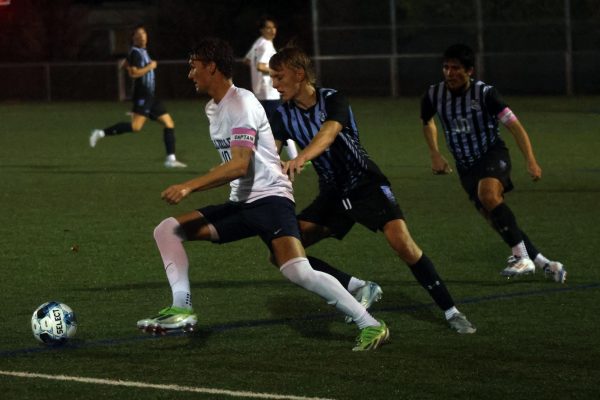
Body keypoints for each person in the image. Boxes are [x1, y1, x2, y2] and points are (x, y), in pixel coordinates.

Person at [136, 38, 389, 352]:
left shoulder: (240, 103)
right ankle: (182, 309)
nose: (190, 74)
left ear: (211, 67)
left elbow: (240, 166)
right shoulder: (214, 107)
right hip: (243, 202)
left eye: (194, 67)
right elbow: (236, 161)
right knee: (168, 230)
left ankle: (370, 323)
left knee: (297, 270)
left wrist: (189, 185)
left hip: (270, 199)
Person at [268, 46, 476, 334]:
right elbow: (270, 151)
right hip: (332, 192)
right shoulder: (282, 114)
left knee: (404, 245)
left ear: (299, 74)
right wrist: (268, 164)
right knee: (282, 252)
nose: (274, 84)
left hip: (364, 182)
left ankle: (451, 312)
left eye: (279, 77)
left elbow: (328, 134)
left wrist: (301, 157)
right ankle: (359, 287)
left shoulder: (333, 99)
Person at [420, 43, 566, 282]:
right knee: (496, 218)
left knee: (488, 195)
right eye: (446, 67)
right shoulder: (433, 94)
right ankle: (544, 263)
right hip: (465, 166)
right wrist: (435, 153)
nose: (449, 73)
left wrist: (531, 160)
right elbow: (427, 121)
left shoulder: (486, 94)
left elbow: (515, 127)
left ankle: (521, 257)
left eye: (456, 68)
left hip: (491, 154)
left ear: (470, 71)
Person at [89, 25, 187, 168]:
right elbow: (134, 73)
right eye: (138, 34)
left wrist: (126, 64)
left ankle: (170, 160)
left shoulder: (142, 51)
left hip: (151, 97)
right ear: (133, 38)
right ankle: (100, 133)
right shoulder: (135, 52)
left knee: (169, 124)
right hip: (142, 96)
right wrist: (150, 67)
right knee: (136, 127)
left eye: (144, 33)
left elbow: (126, 65)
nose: (142, 36)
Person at [243, 16, 298, 160]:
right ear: (262, 30)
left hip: (260, 91)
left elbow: (247, 61)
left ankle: (255, 157)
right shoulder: (266, 44)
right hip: (269, 92)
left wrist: (257, 75)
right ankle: (295, 158)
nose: (272, 30)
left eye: (274, 27)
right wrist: (280, 71)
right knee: (282, 123)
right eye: (268, 27)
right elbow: (260, 66)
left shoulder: (258, 43)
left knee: (265, 126)